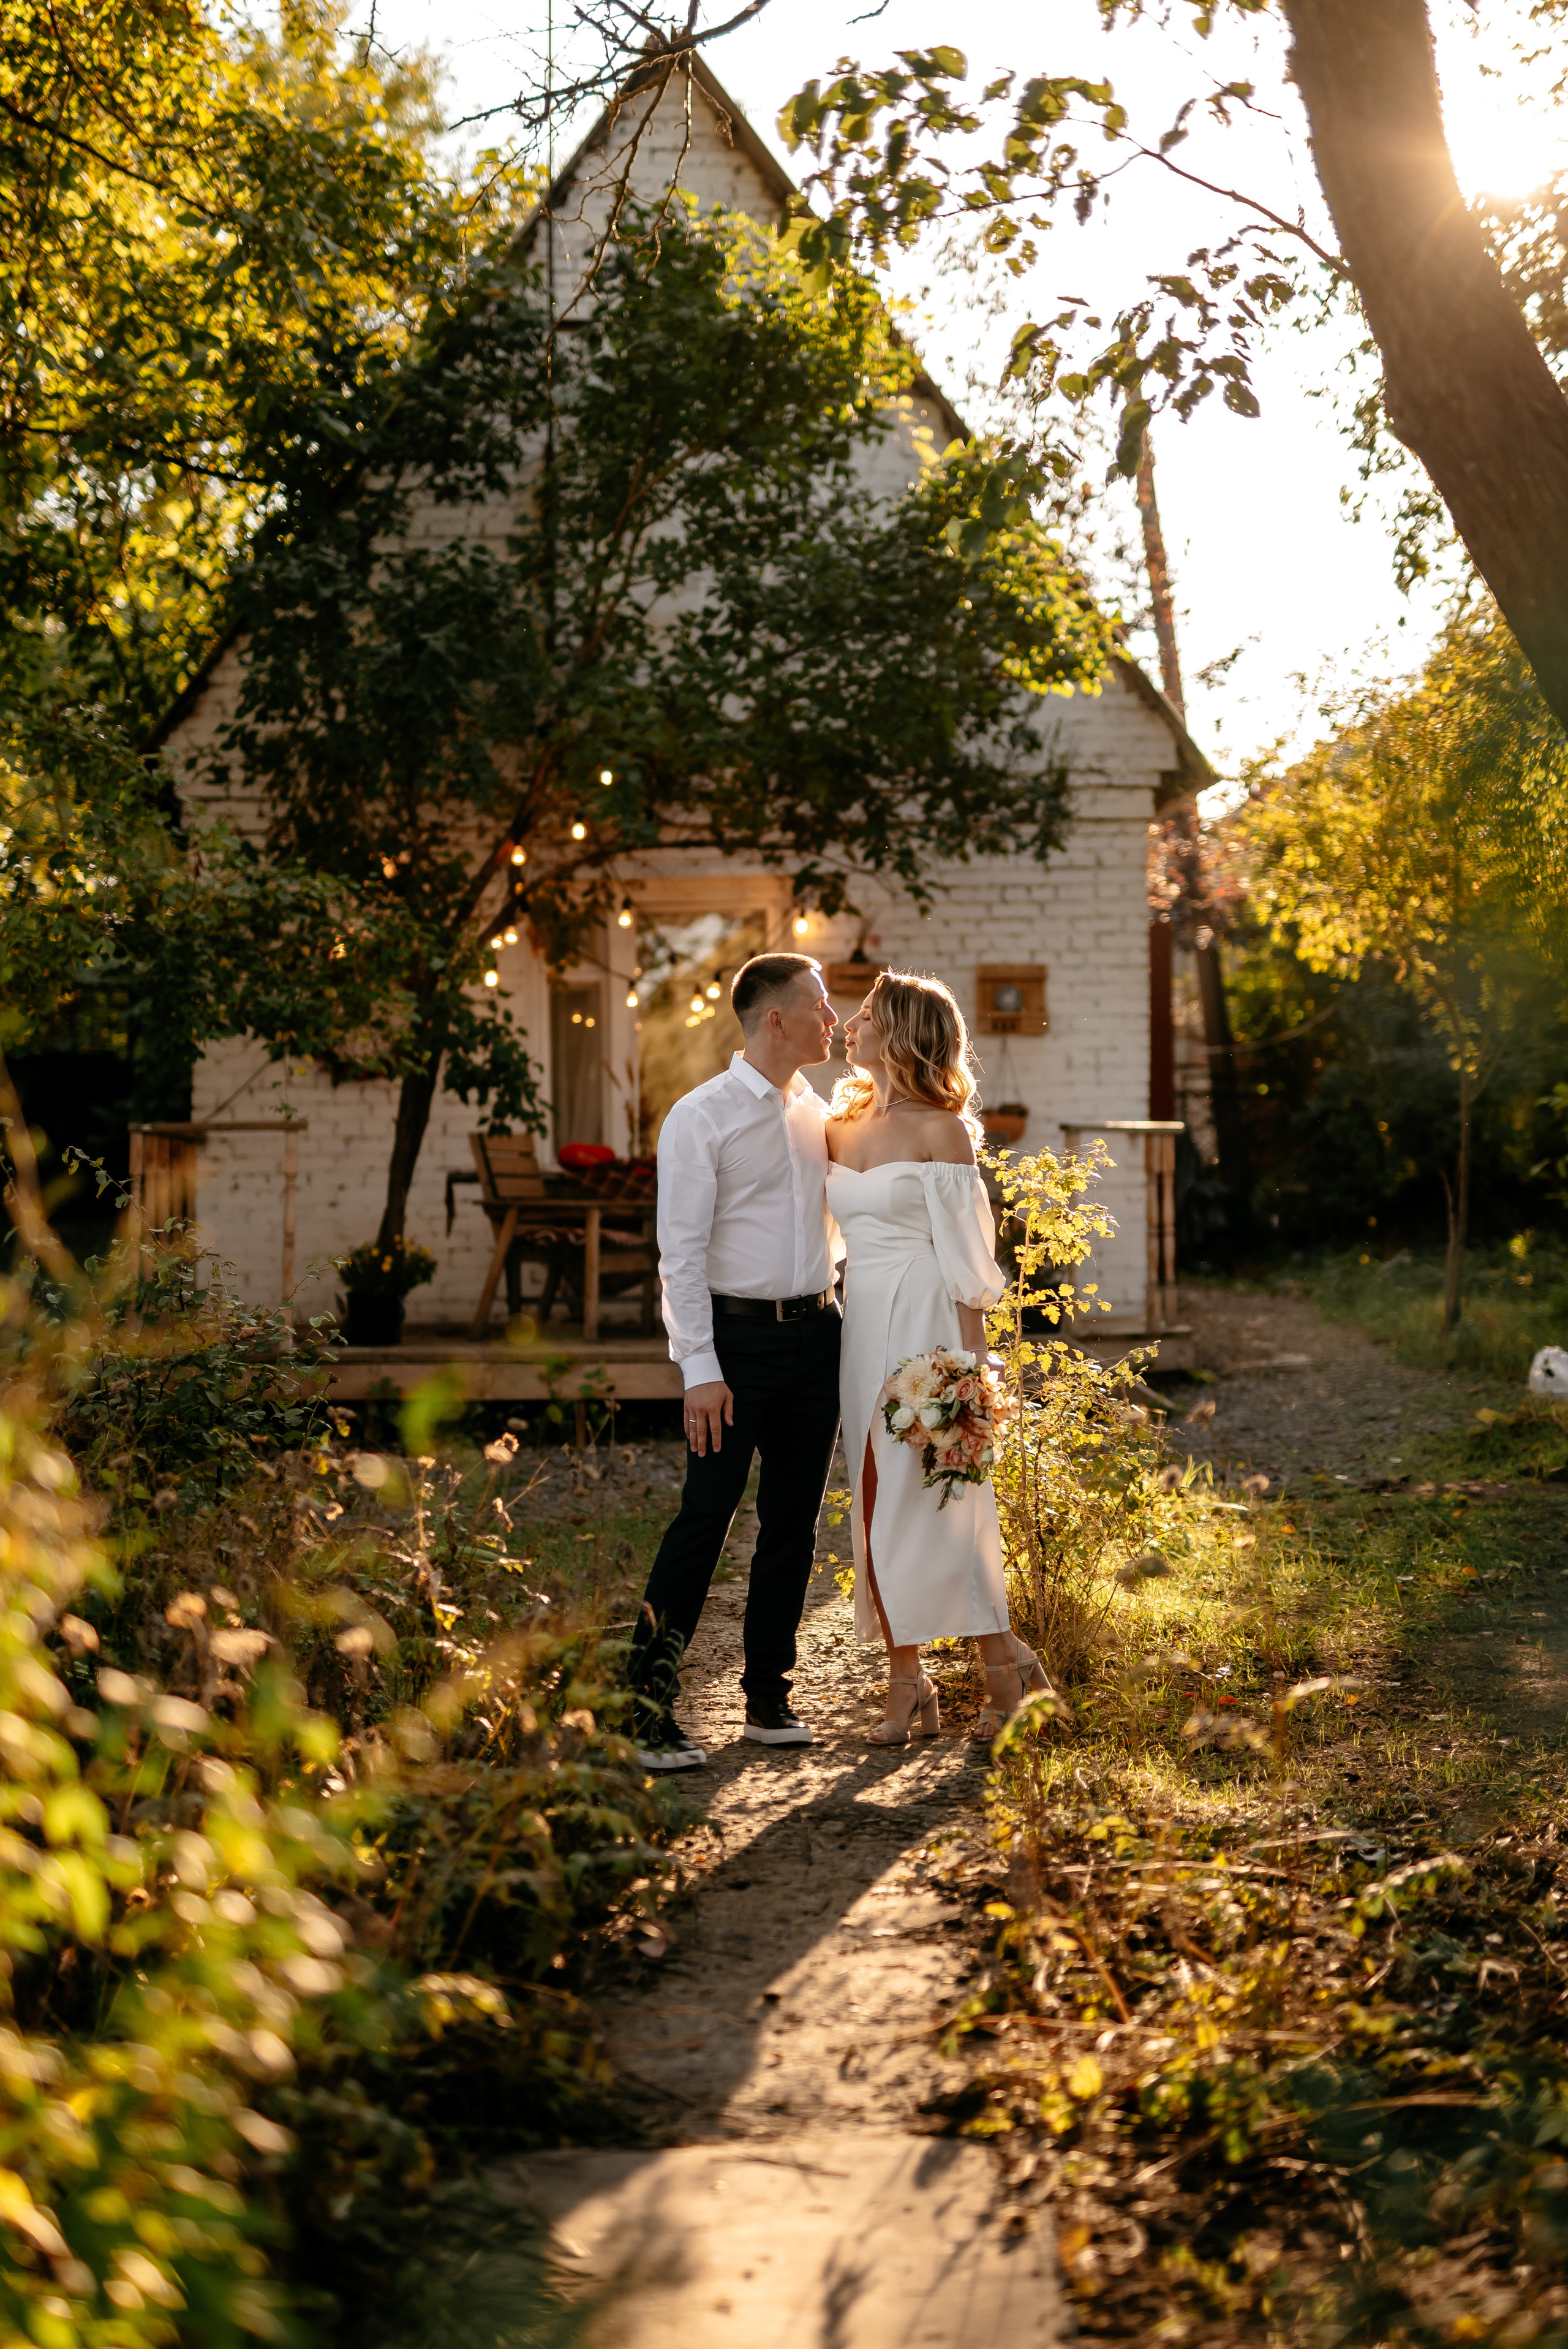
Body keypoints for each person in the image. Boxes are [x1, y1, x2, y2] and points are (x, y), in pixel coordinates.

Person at [824, 969, 1059, 1743]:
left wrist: (974, 1368)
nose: (848, 1027)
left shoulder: (941, 1128)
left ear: (898, 1030)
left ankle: (1003, 1676)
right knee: (877, 1498)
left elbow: (968, 1261)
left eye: (863, 1015)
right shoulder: (837, 1122)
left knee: (950, 1495)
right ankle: (908, 1681)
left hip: (929, 1319)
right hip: (861, 1325)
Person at [628, 951, 843, 1771]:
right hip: (733, 1345)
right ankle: (646, 1704)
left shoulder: (817, 1111)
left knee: (792, 1523)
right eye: (821, 1006)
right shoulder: (700, 1116)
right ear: (777, 1018)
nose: (834, 1020)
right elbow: (677, 1255)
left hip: (817, 1335)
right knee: (706, 1519)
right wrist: (698, 1367)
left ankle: (768, 1694)